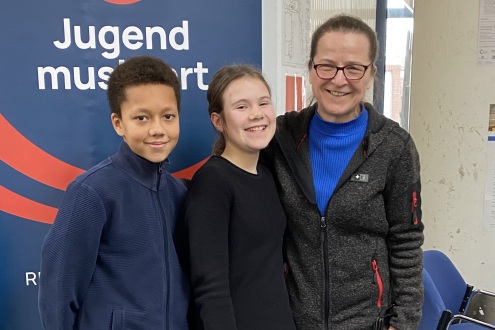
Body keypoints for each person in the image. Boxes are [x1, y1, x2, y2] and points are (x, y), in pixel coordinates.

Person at [260, 14, 424, 330]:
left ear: (371, 73)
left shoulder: (394, 147)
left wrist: (403, 323)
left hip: (368, 321)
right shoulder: (280, 138)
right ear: (310, 70)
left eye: (353, 68)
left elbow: (406, 240)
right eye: (327, 65)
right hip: (293, 319)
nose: (338, 79)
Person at [38, 55, 191, 329]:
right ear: (119, 123)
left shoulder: (178, 194)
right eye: (141, 118)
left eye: (168, 116)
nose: (157, 129)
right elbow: (58, 291)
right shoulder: (91, 192)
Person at [184, 64, 296, 330]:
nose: (256, 114)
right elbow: (210, 287)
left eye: (263, 103)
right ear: (218, 120)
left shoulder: (267, 175)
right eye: (241, 107)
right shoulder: (213, 182)